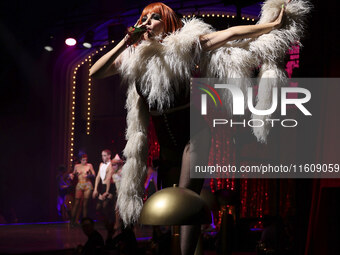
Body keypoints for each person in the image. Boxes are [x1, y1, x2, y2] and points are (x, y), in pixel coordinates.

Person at [89, 1, 310, 254]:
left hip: (193, 137)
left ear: (168, 23)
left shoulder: (184, 48)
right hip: (165, 142)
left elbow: (229, 34)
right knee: (172, 208)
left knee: (185, 200)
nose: (147, 22)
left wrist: (270, 25)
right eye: (144, 18)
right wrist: (125, 43)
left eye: (154, 18)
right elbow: (96, 72)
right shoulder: (134, 56)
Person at [70, 154, 95, 226]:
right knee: (76, 203)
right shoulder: (77, 166)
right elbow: (74, 174)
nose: (85, 161)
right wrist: (72, 175)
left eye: (86, 160)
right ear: (81, 160)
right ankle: (72, 221)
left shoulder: (89, 165)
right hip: (80, 184)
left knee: (85, 204)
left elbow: (94, 174)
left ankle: (85, 222)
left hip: (87, 184)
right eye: (83, 160)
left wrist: (88, 175)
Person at [93, 149, 116, 224]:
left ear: (109, 156)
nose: (103, 157)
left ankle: (110, 222)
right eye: (102, 155)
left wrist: (107, 191)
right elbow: (98, 177)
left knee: (105, 205)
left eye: (105, 155)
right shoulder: (101, 164)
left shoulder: (111, 165)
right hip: (103, 186)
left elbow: (109, 178)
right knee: (99, 206)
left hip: (110, 187)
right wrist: (95, 189)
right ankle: (106, 221)